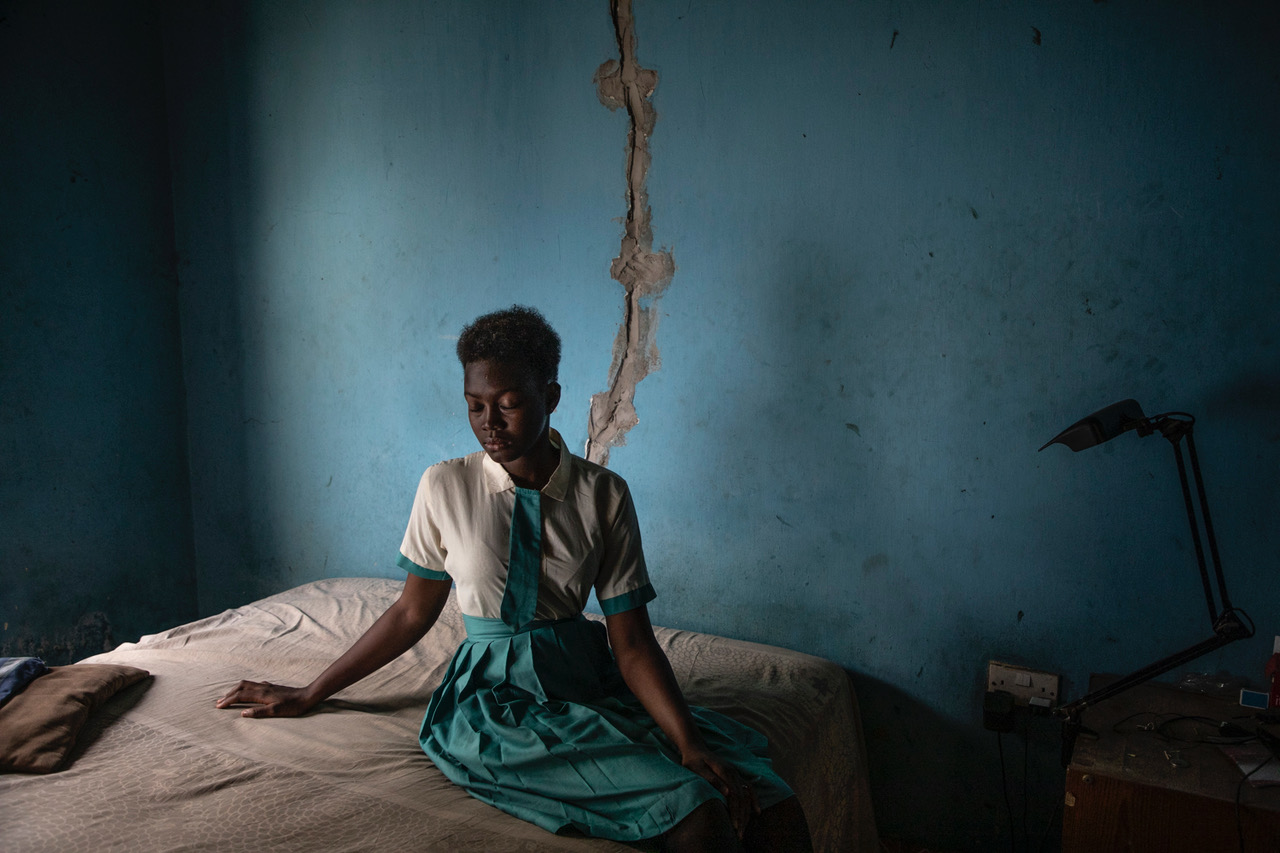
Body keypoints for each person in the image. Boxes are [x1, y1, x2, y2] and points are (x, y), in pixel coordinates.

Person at [217, 306, 813, 852]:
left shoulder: (603, 494)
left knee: (770, 801)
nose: (489, 423)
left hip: (586, 680)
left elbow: (631, 642)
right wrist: (310, 692)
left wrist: (688, 741)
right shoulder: (444, 486)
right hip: (493, 701)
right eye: (475, 405)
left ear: (550, 396)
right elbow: (410, 612)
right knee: (697, 814)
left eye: (508, 404)